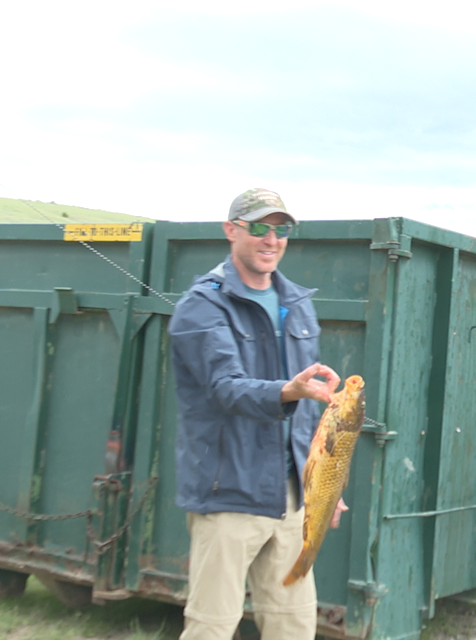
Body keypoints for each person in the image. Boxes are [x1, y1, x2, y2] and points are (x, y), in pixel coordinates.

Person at [169, 187, 345, 640]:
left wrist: (325, 490)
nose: (272, 239)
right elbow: (225, 389)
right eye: (260, 227)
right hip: (228, 494)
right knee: (211, 627)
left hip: (292, 503)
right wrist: (288, 390)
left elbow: (309, 413)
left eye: (281, 229)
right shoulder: (201, 306)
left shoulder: (299, 303)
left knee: (294, 627)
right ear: (231, 231)